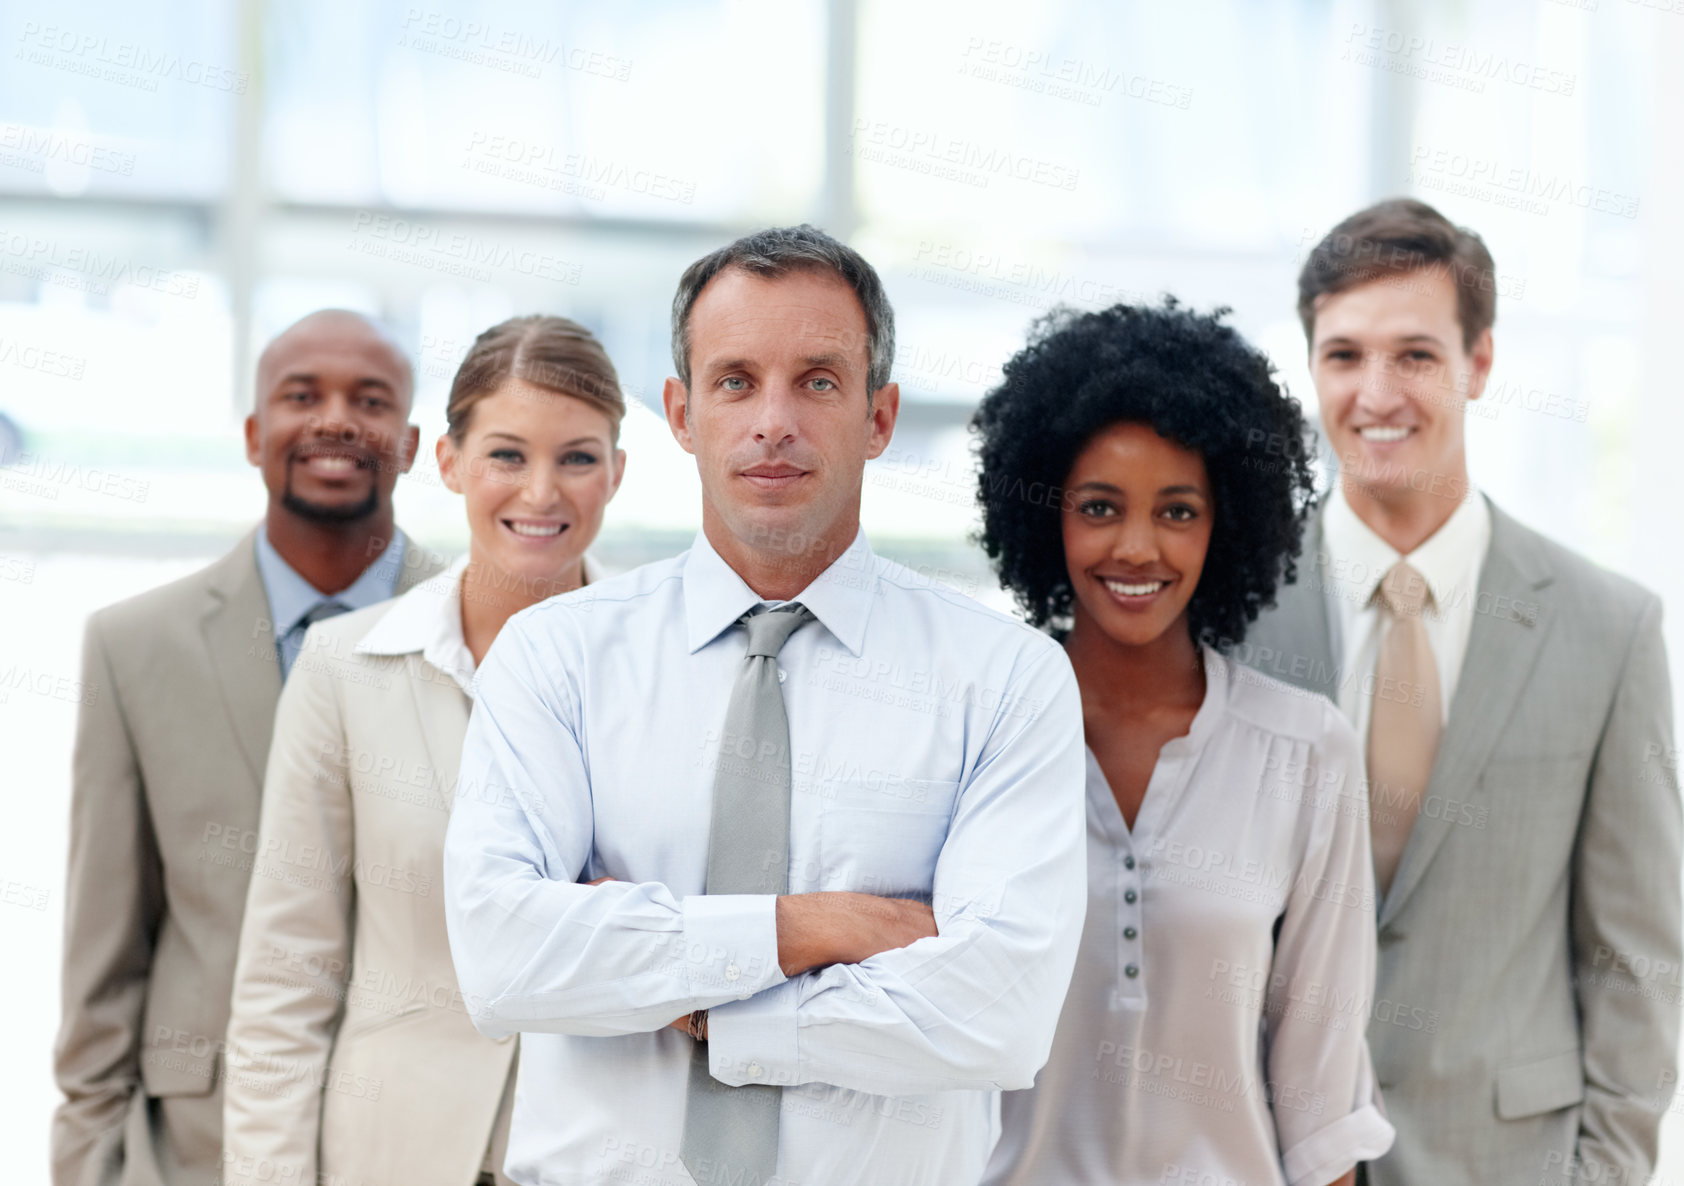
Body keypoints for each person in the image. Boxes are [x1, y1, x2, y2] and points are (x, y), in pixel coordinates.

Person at [441, 225, 1088, 1186]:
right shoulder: (556, 658)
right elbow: (503, 961)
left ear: (879, 416)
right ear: (681, 412)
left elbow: (994, 1016)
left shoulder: (1005, 678)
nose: (773, 421)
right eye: (735, 380)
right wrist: (809, 929)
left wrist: (696, 995)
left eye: (818, 381)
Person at [1241, 198, 1682, 1185]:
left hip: (1510, 1158)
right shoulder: (1232, 616)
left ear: (1479, 362)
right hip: (1270, 1157)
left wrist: (1605, 1173)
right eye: (1343, 355)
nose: (1375, 392)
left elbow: (1637, 953)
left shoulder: (1608, 629)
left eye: (1416, 355)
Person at [974, 301, 1395, 1186]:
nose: (1136, 547)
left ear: (1226, 524)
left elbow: (1322, 1106)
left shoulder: (1305, 751)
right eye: (1099, 507)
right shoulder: (974, 734)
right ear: (1048, 517)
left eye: (1177, 511)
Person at [220, 315, 627, 1186]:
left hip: (604, 1149)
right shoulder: (343, 668)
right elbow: (286, 979)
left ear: (618, 472)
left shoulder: (674, 671)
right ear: (448, 462)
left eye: (579, 458)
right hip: (391, 1154)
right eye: (508, 455)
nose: (543, 493)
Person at [52, 310, 446, 1186]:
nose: (335, 420)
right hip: (197, 1145)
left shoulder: (494, 632)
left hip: (430, 1138)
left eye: (369, 400)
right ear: (253, 433)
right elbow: (102, 958)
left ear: (414, 442)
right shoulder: (135, 646)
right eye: (301, 396)